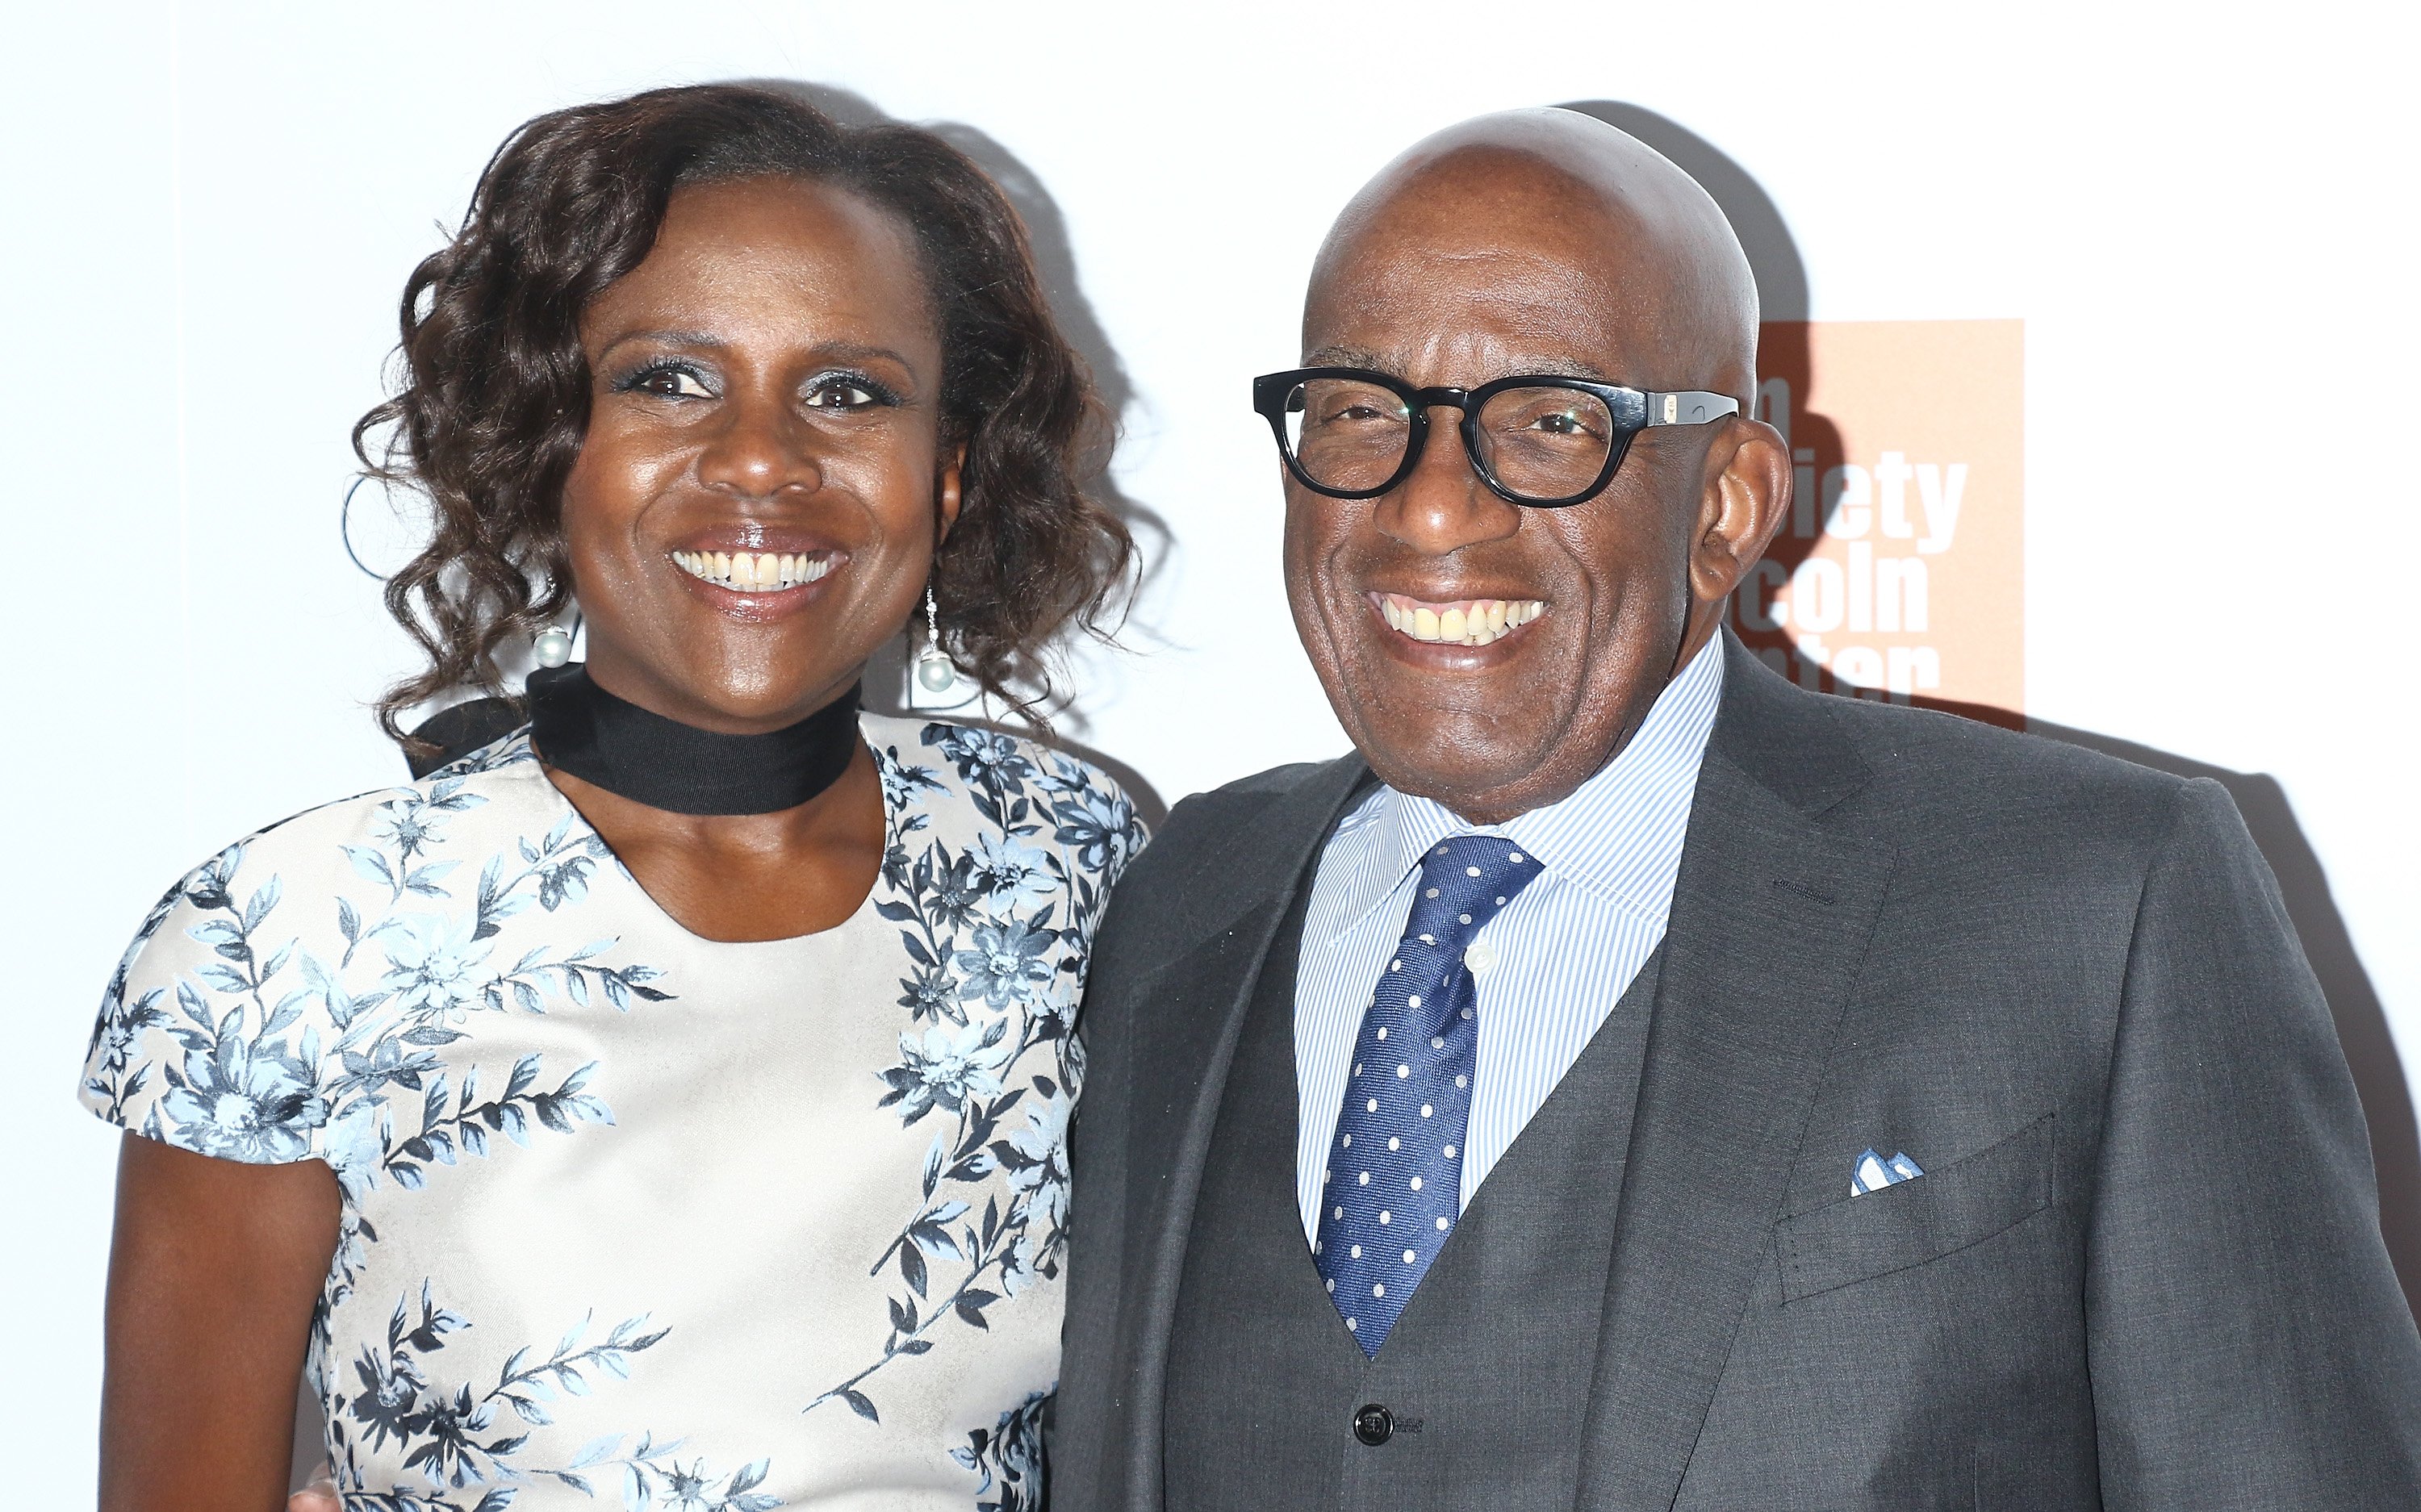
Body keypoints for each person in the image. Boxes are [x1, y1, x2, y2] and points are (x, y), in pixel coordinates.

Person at [1052, 108, 2421, 1508]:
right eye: (1357, 411)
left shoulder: (2100, 906)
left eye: (1548, 422)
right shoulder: (1174, 902)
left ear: (1729, 503)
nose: (1433, 512)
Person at [83, 83, 1141, 1512]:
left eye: (851, 391)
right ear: (547, 443)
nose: (764, 457)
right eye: (668, 378)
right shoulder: (293, 940)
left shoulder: (1063, 857)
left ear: (945, 477)